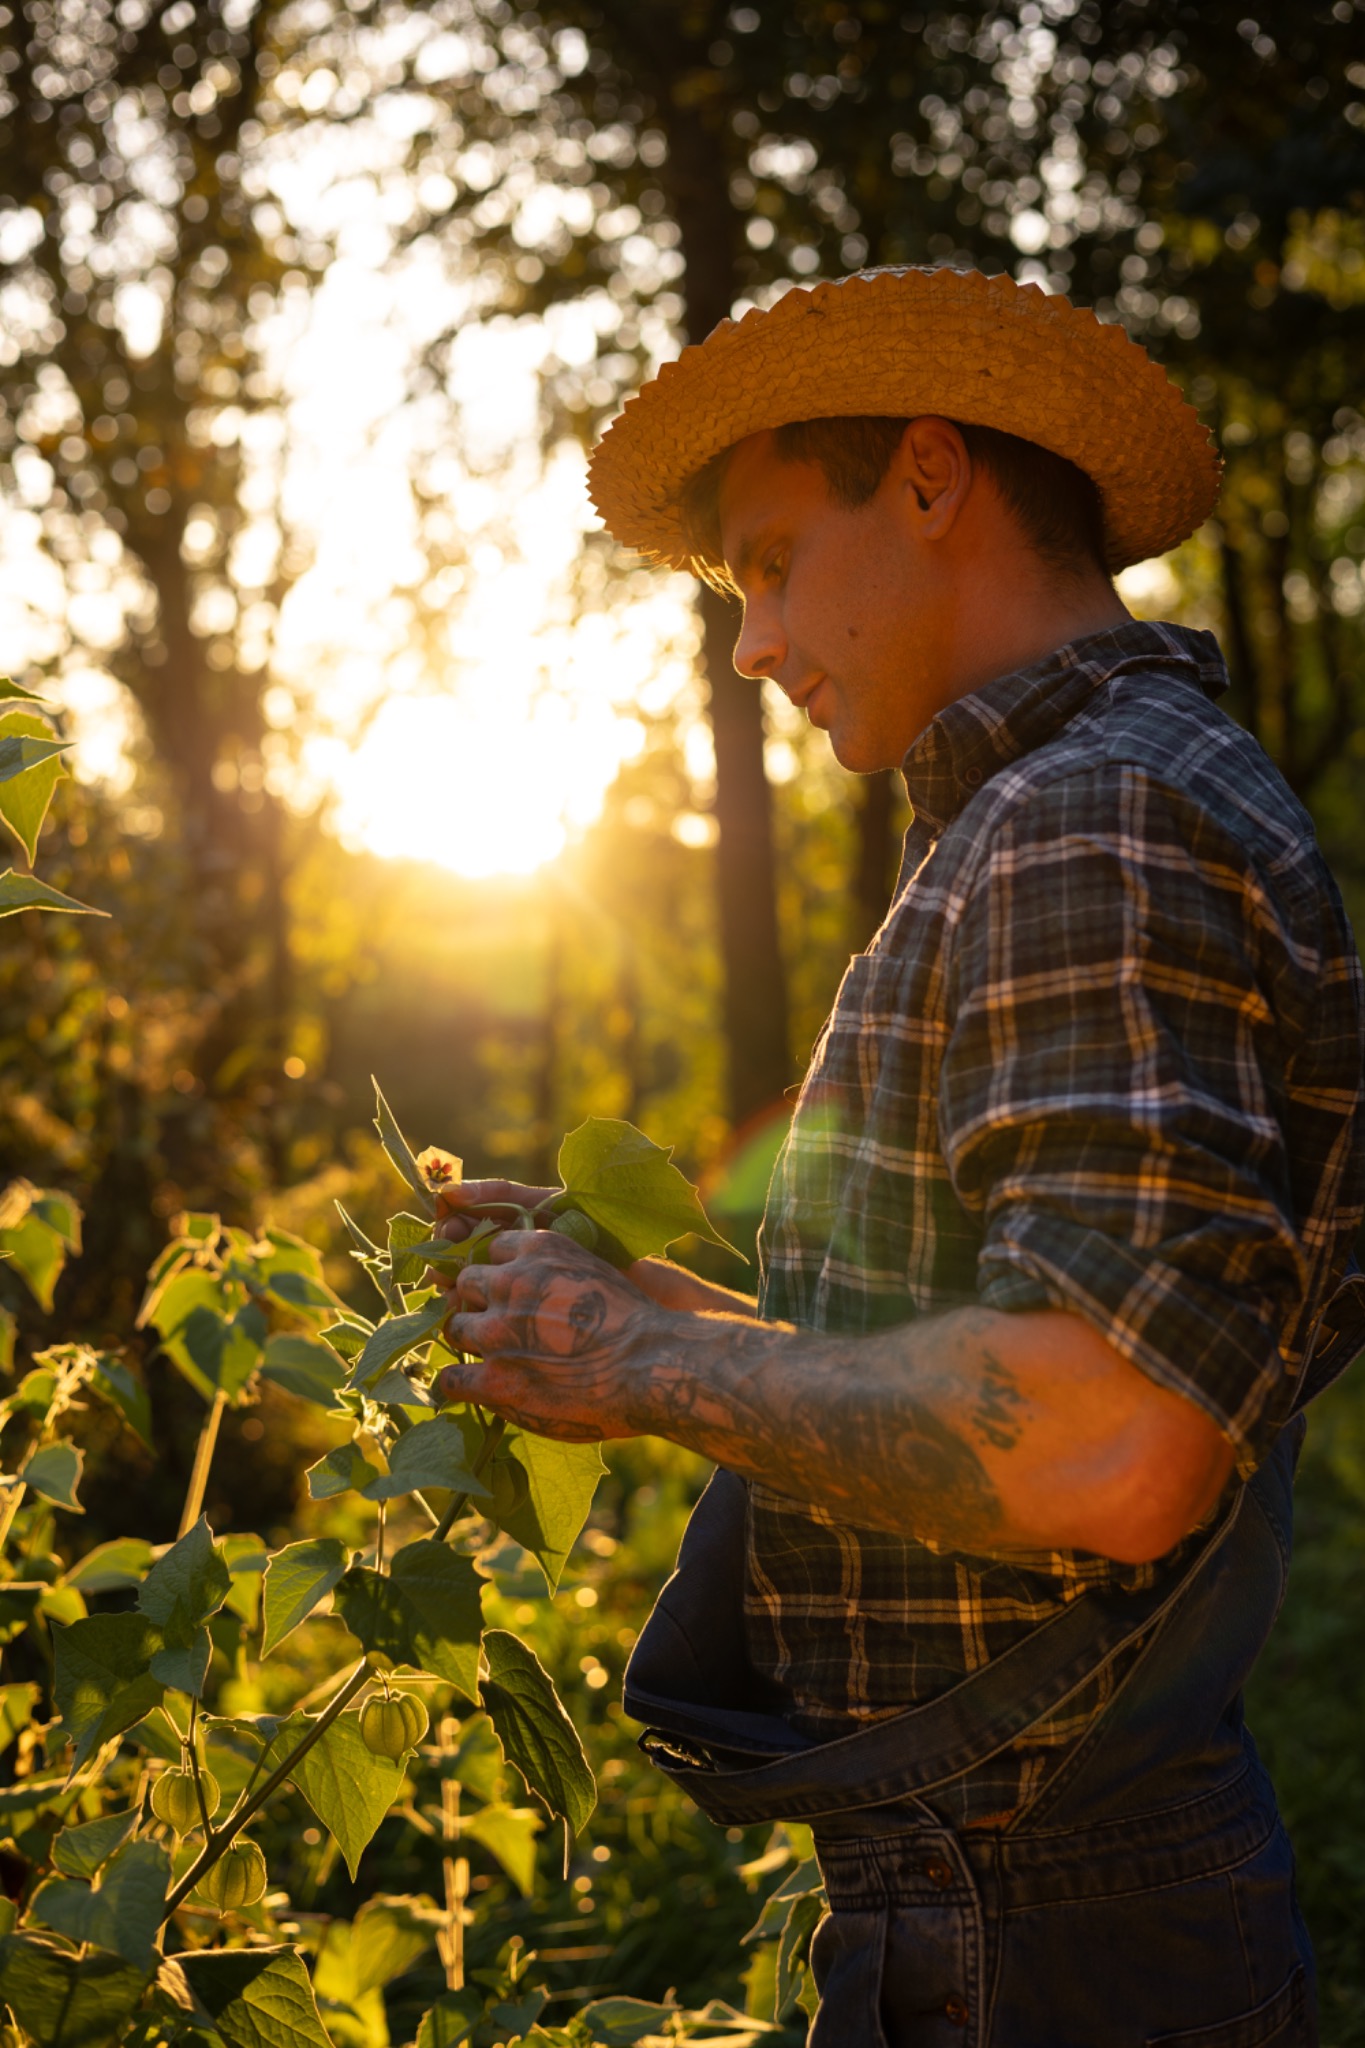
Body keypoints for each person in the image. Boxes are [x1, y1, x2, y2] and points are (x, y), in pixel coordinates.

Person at [432, 268, 1365, 2045]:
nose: (751, 645)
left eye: (772, 561)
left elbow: (1108, 1439)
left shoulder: (1086, 815)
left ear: (929, 476)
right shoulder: (1097, 796)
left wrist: (641, 1361)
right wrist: (655, 1305)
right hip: (1044, 1891)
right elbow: (1039, 1351)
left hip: (1049, 1930)